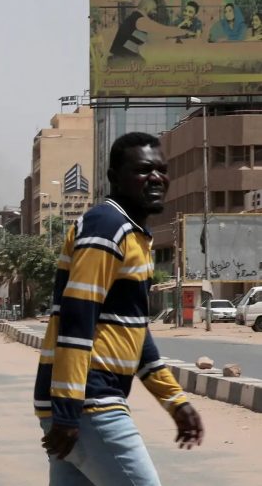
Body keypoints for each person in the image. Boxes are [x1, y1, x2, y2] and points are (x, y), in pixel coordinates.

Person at [36, 132, 203, 485]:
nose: (156, 178)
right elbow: (77, 318)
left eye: (161, 169)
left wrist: (175, 401)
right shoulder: (107, 226)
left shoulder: (134, 235)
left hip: (82, 404)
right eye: (143, 170)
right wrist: (68, 410)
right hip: (89, 403)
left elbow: (135, 333)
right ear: (114, 177)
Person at [108, 0, 187, 64]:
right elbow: (163, 30)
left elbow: (151, 38)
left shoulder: (134, 17)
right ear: (145, 8)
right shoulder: (140, 20)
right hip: (122, 60)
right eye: (153, 10)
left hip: (122, 57)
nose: (155, 13)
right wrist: (186, 32)